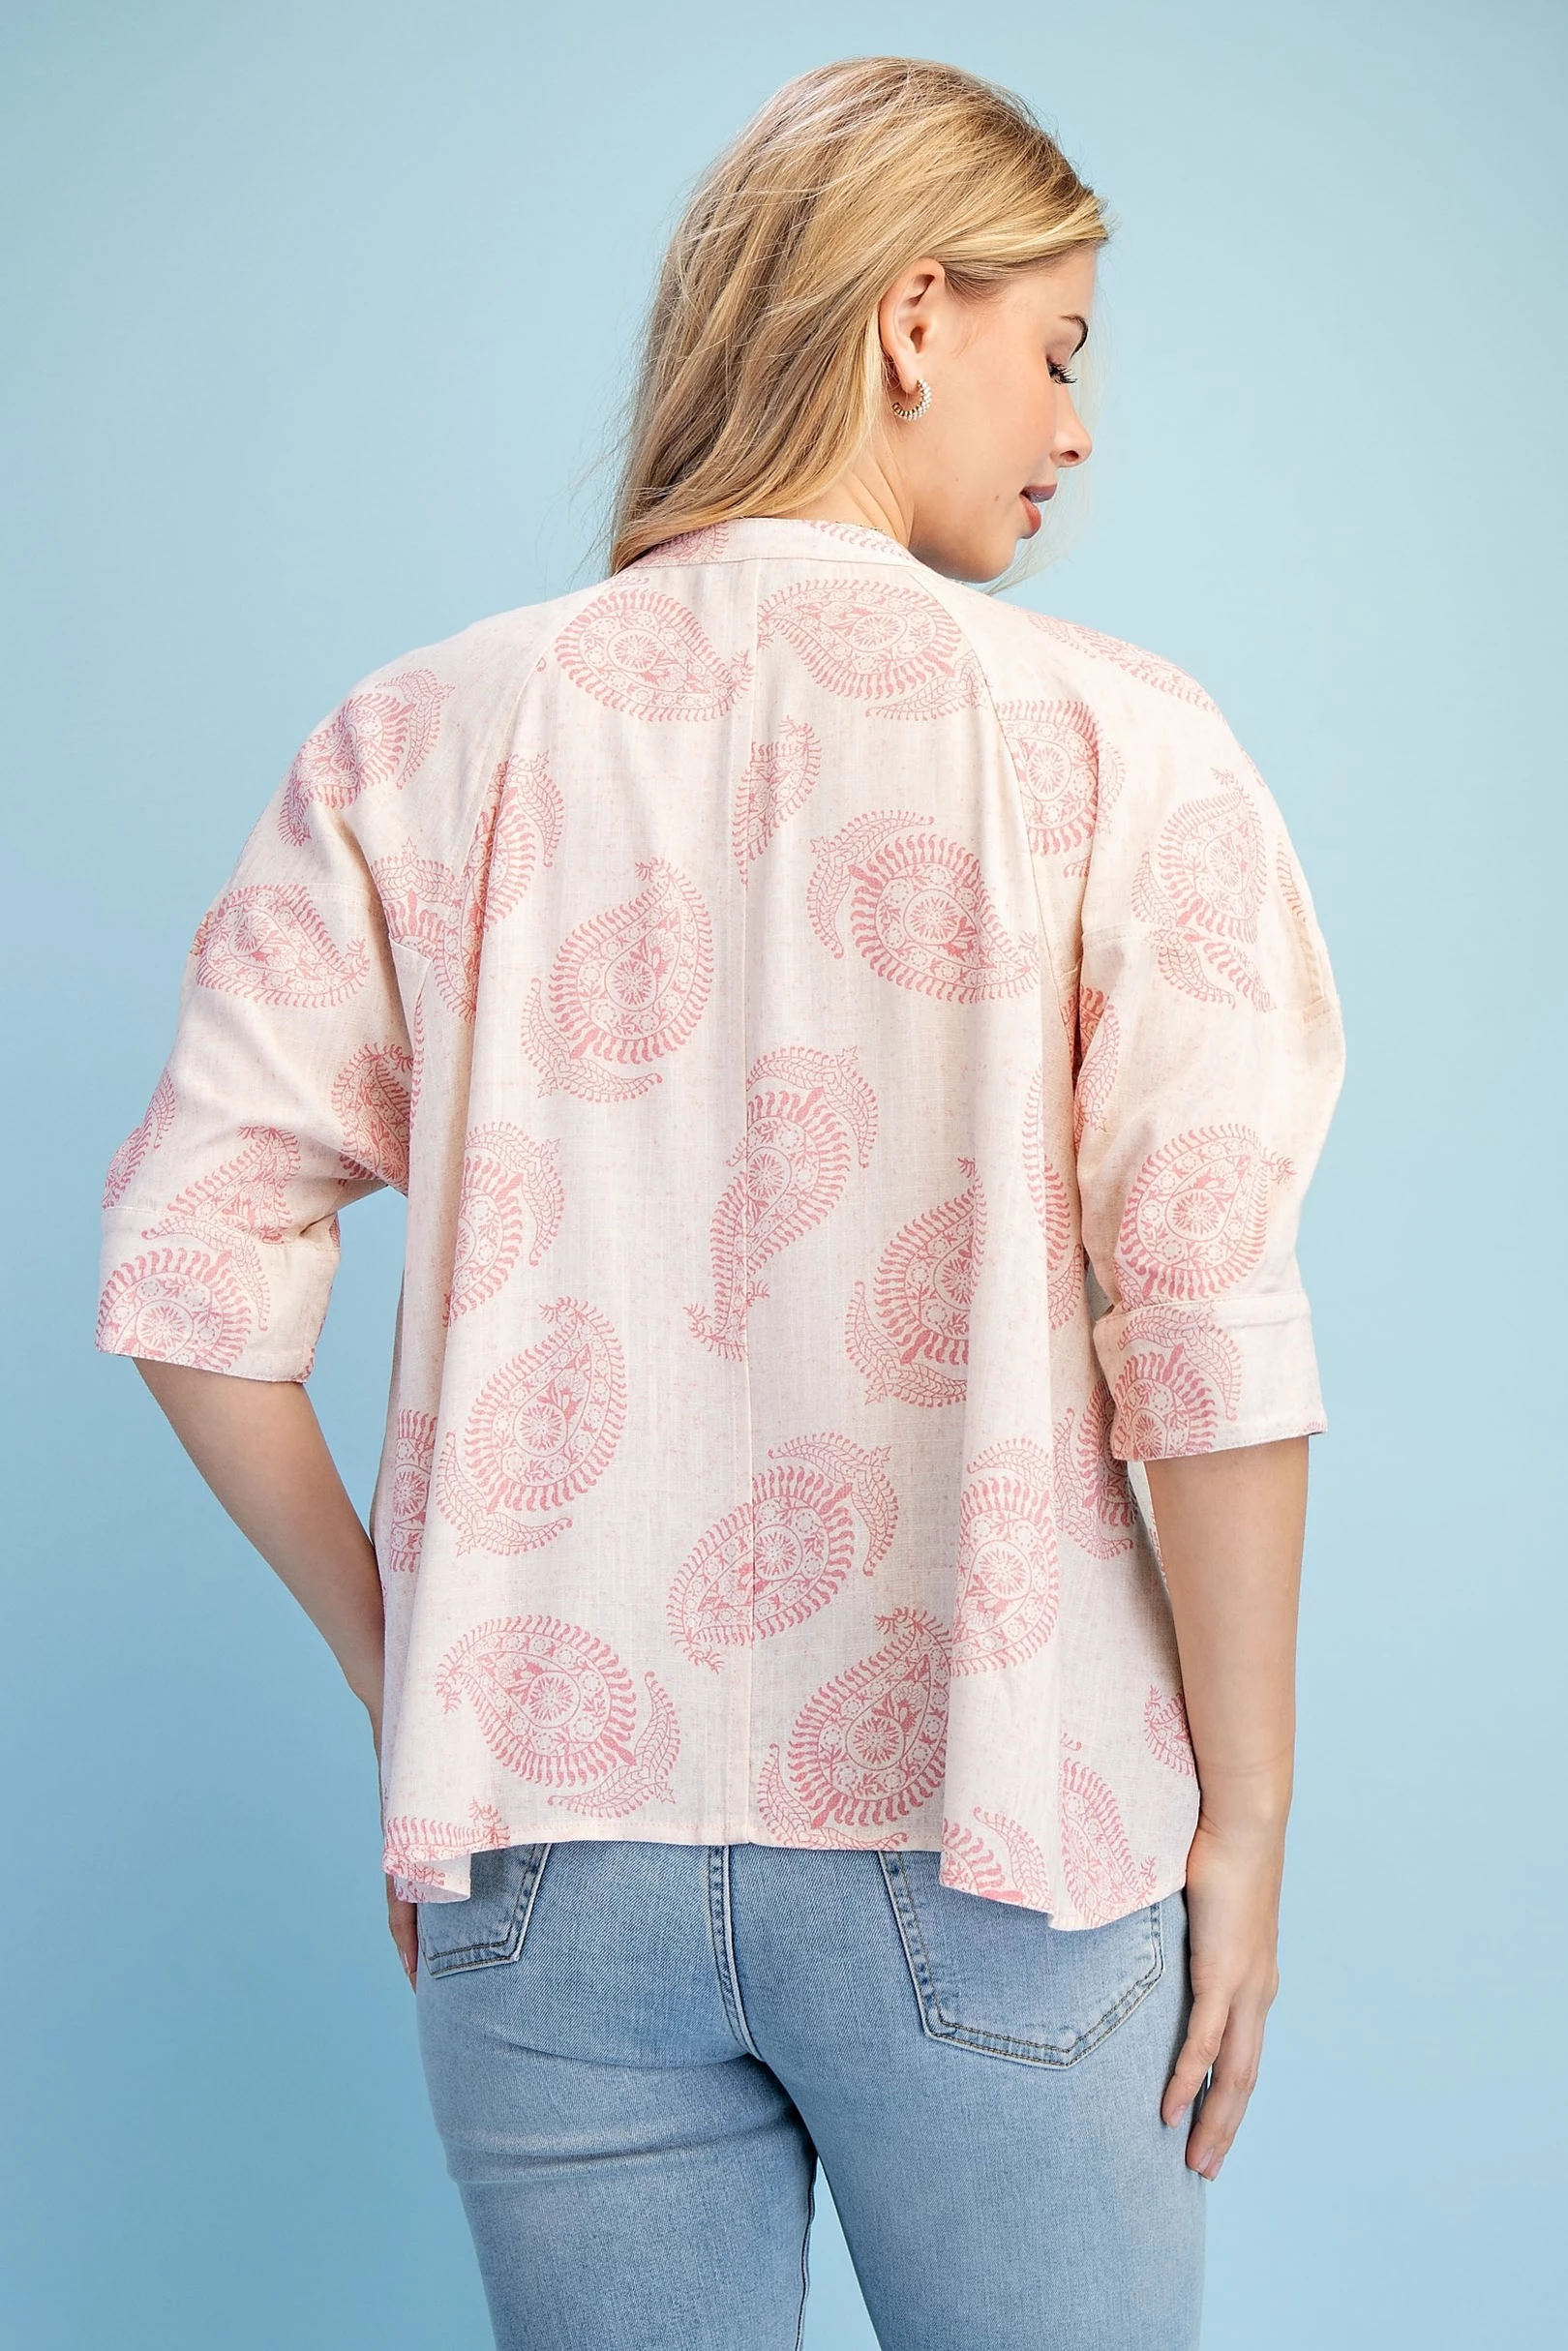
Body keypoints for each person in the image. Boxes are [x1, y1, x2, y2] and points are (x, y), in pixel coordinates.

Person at [96, 54, 1344, 2351]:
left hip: (542, 1859)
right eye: (1060, 350)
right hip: (1005, 1818)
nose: (1077, 432)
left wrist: (409, 1678)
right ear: (914, 317)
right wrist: (1246, 1819)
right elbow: (1205, 1316)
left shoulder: (421, 737)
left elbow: (190, 1269)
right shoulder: (1120, 743)